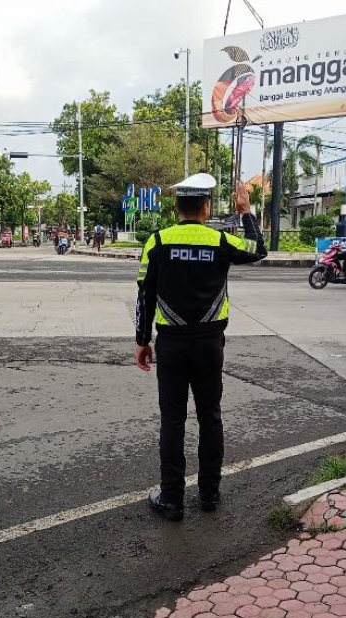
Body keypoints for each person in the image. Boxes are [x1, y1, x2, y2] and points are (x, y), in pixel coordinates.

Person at [135, 174, 267, 521]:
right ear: (207, 208)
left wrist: (141, 341)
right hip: (210, 345)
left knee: (173, 420)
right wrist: (245, 212)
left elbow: (144, 296)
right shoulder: (220, 241)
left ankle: (172, 500)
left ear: (177, 206)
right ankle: (209, 494)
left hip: (172, 346)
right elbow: (259, 249)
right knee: (210, 417)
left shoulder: (158, 242)